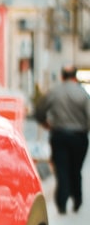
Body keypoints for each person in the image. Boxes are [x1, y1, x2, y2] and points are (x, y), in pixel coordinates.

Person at [35, 65, 90, 214]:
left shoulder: (54, 92)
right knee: (76, 169)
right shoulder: (82, 94)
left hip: (59, 135)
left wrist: (46, 123)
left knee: (62, 169)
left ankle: (62, 202)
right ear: (75, 76)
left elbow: (39, 110)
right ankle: (77, 199)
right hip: (79, 137)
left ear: (62, 76)